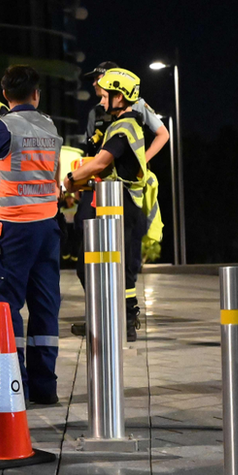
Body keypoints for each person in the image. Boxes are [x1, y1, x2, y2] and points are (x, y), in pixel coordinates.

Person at [72, 61, 169, 337]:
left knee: (126, 259)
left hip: (122, 193)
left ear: (117, 88)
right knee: (89, 257)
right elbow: (93, 151)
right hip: (99, 190)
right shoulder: (97, 112)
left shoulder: (133, 110)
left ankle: (125, 318)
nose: (95, 85)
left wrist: (143, 162)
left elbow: (162, 134)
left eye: (99, 81)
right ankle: (101, 315)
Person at [0, 65, 62, 404]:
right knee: (45, 305)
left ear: (5, 95)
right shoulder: (49, 126)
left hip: (12, 227)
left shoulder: (1, 128)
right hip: (47, 226)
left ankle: (12, 383)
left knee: (5, 305)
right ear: (36, 94)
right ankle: (45, 387)